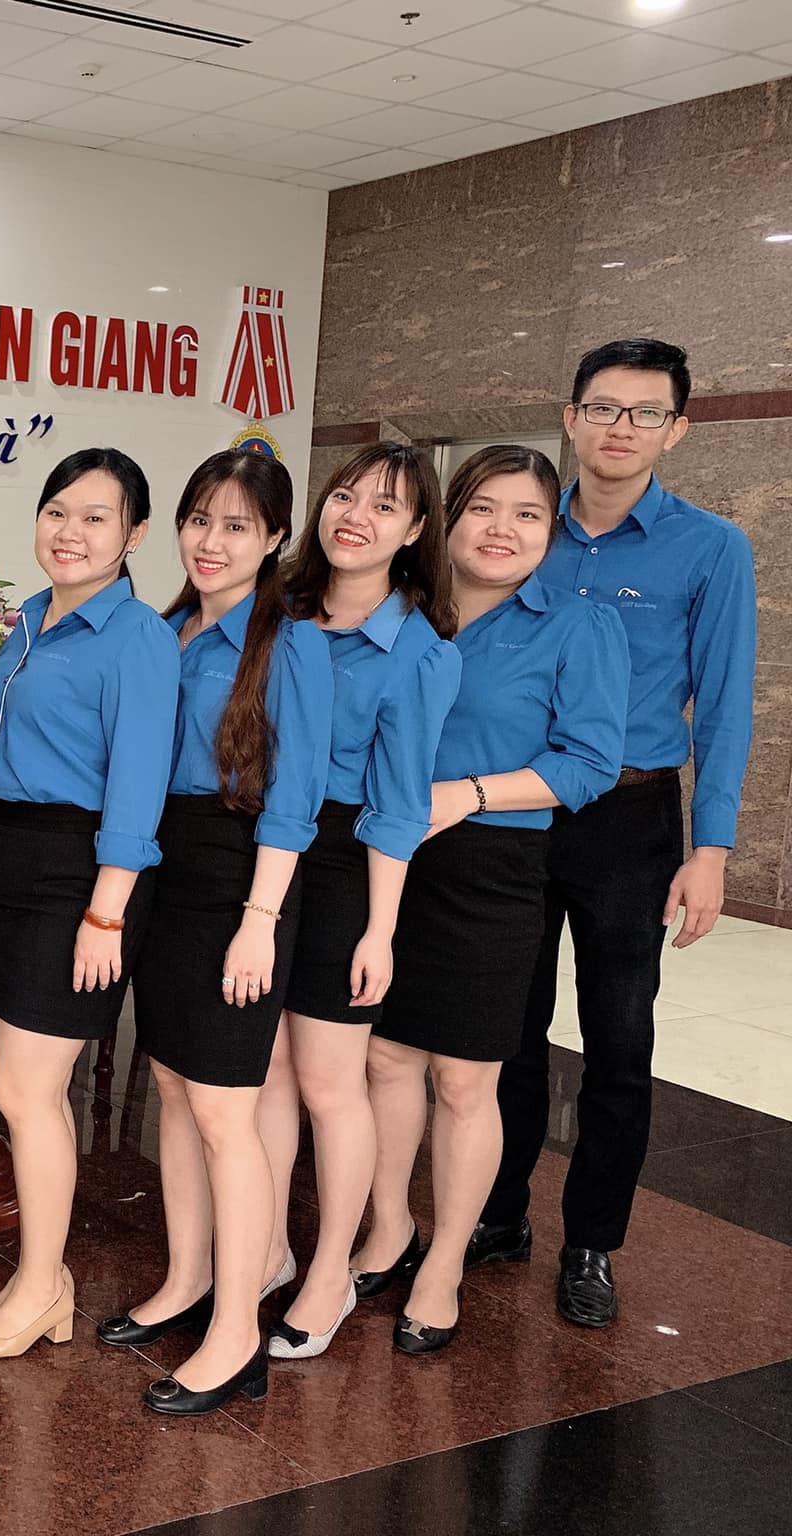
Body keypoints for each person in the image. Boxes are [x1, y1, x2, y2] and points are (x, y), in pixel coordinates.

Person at [475, 339, 756, 1327]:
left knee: (619, 1038)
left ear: (676, 429)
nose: (620, 428)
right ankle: (496, 1213)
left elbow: (724, 704)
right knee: (501, 1032)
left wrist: (710, 851)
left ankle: (591, 1241)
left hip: (630, 820)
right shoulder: (519, 527)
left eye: (645, 413)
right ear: (569, 417)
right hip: (514, 808)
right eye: (602, 407)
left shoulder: (710, 548)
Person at [359, 446, 627, 1353]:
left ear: (554, 532)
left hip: (491, 869)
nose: (501, 530)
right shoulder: (401, 610)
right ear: (447, 518)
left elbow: (588, 764)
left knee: (466, 1078)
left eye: (528, 515)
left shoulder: (578, 627)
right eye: (482, 508)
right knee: (385, 1059)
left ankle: (444, 1267)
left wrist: (467, 794)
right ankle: (389, 1228)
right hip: (383, 857)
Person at [110, 451, 331, 1414]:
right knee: (172, 1084)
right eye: (200, 519)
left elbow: (296, 801)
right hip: (165, 872)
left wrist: (259, 924)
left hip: (242, 877)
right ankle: (189, 1278)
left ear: (276, 538)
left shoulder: (292, 644)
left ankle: (239, 1334)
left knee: (225, 1111)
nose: (211, 541)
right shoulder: (165, 632)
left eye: (237, 526)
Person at [0, 448, 177, 1361]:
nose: (70, 531)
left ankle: (45, 1280)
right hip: (12, 850)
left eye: (95, 517)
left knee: (27, 1085)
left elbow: (138, 785)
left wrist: (107, 911)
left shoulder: (138, 637)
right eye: (57, 511)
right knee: (18, 1079)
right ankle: (40, 1281)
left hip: (82, 870)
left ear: (135, 534)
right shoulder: (26, 619)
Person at [255, 443, 460, 1356]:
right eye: (345, 495)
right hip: (260, 849)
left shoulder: (418, 653)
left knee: (330, 1083)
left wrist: (379, 930)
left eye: (385, 506)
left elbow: (399, 808)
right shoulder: (279, 610)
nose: (357, 517)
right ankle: (266, 1248)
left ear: (415, 531)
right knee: (262, 1070)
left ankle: (331, 1272)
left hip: (343, 861)